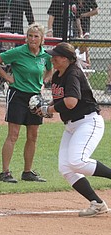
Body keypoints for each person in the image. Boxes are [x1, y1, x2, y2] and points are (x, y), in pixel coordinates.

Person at [37, 42, 110, 217]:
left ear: (66, 59)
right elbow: (59, 100)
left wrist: (50, 110)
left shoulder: (73, 74)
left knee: (78, 161)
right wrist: (45, 106)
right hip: (71, 126)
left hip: (88, 122)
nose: (52, 58)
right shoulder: (58, 75)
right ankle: (97, 203)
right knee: (66, 168)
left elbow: (71, 102)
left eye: (56, 56)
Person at [0, 23, 53, 183]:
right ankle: (5, 172)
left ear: (42, 39)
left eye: (36, 36)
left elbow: (50, 69)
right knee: (13, 134)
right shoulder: (18, 52)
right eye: (30, 35)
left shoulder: (45, 56)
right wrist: (7, 77)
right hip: (17, 95)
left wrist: (44, 81)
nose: (32, 39)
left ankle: (27, 171)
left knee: (33, 135)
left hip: (35, 98)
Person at [0, 0, 34, 94]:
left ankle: (15, 84)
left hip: (17, 36)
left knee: (17, 61)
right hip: (0, 34)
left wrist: (34, 30)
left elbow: (29, 13)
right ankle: (1, 85)